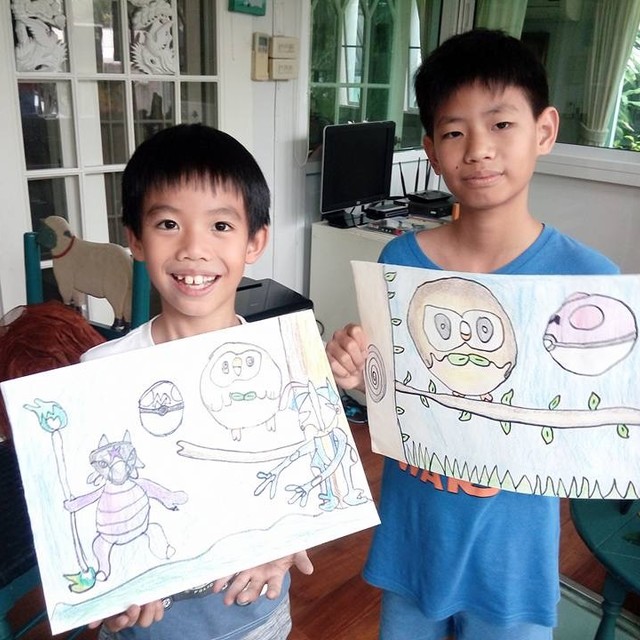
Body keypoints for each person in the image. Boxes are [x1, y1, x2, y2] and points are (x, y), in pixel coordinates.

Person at [326, 29, 619, 640]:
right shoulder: (401, 261)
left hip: (511, 562)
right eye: (455, 132)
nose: (479, 149)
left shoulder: (588, 282)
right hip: (414, 542)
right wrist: (355, 376)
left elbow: (592, 432)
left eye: (501, 124)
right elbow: (388, 401)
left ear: (544, 130)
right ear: (432, 151)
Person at [81, 123, 313, 640]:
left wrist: (288, 543)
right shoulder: (99, 373)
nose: (193, 248)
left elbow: (307, 485)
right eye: (168, 224)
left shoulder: (285, 365)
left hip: (256, 617)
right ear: (135, 239)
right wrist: (111, 594)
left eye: (220, 226)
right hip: (146, 629)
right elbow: (90, 508)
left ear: (255, 241)